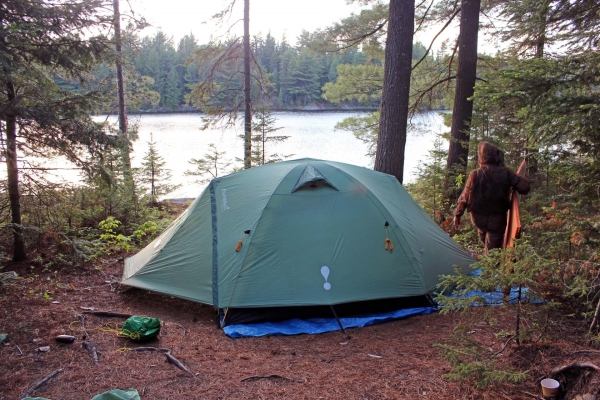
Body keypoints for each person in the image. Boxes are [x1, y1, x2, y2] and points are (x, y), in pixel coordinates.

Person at [453, 141, 531, 254]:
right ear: (496, 155)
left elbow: (465, 196)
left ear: (481, 157)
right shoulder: (506, 173)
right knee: (493, 252)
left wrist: (457, 214)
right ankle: (492, 268)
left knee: (487, 242)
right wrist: (518, 178)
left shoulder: (474, 174)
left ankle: (489, 261)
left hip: (478, 219)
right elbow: (524, 188)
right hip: (496, 219)